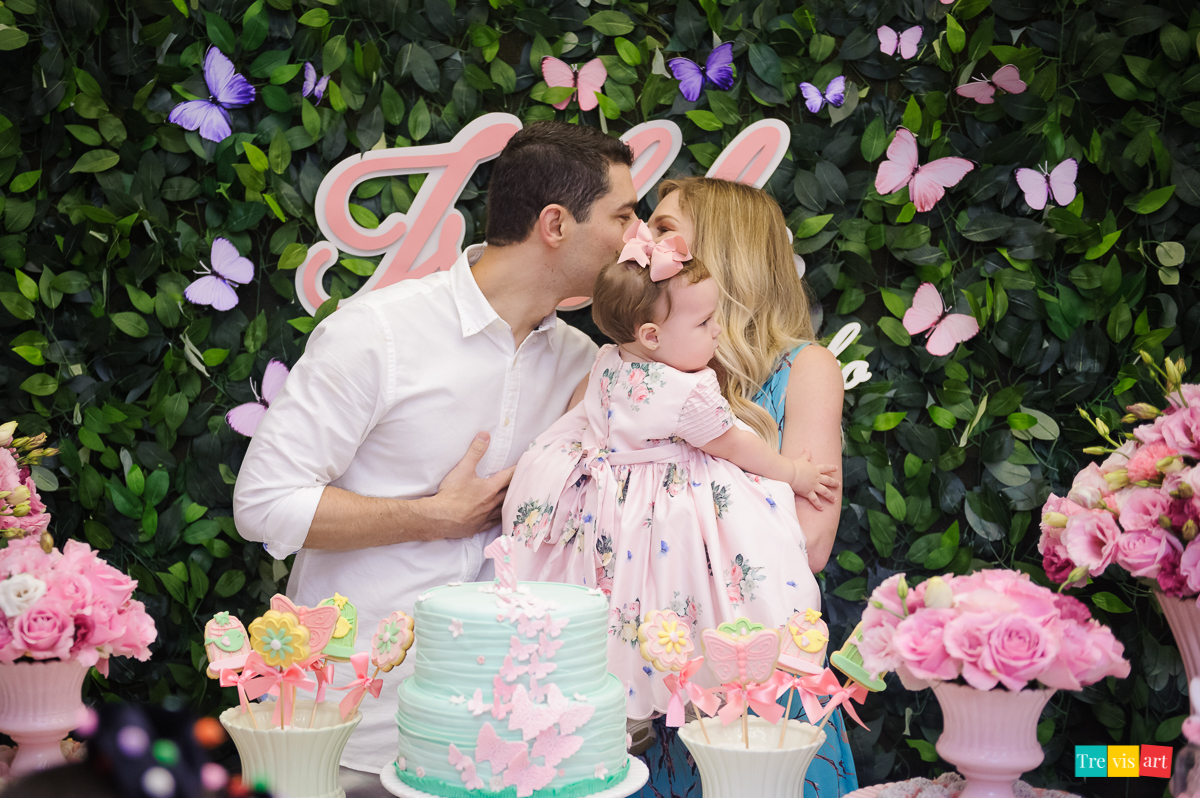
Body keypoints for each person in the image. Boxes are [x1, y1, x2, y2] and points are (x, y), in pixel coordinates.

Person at [231, 121, 637, 776]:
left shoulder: (584, 364)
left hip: (498, 740)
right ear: (556, 224)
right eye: (624, 215)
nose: (636, 236)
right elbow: (264, 506)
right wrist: (432, 517)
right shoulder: (377, 333)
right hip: (349, 727)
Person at [503, 221, 839, 738]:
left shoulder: (606, 362)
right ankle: (708, 677)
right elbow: (735, 444)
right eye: (706, 323)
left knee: (629, 607)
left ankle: (631, 689)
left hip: (619, 517)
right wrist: (793, 472)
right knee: (700, 589)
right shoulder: (686, 393)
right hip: (668, 510)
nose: (717, 331)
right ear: (653, 335)